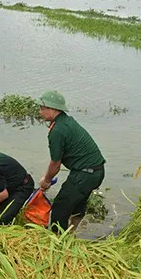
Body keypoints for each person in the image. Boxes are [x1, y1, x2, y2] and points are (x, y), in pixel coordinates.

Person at [37, 91, 105, 232]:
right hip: (96, 172)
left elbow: (55, 164)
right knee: (77, 204)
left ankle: (57, 241)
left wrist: (46, 180)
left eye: (42, 108)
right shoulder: (66, 121)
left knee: (59, 208)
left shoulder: (58, 131)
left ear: (53, 109)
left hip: (84, 175)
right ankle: (72, 233)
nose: (40, 111)